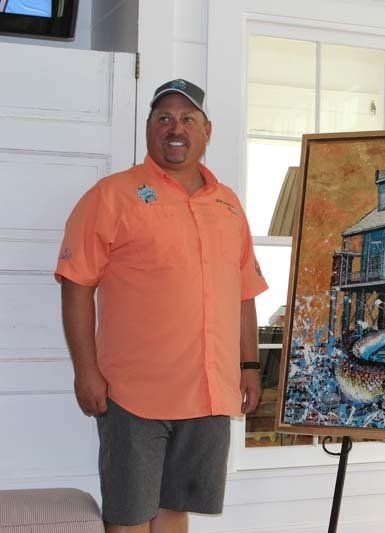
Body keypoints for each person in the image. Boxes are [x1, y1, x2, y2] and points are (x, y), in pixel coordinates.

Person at [55, 79, 268, 533]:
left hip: (209, 392)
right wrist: (85, 371)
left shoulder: (227, 204)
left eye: (188, 118)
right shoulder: (112, 195)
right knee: (128, 516)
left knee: (175, 509)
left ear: (207, 130)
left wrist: (249, 365)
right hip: (133, 395)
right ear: (150, 128)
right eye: (164, 118)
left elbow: (244, 291)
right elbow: (75, 285)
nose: (176, 128)